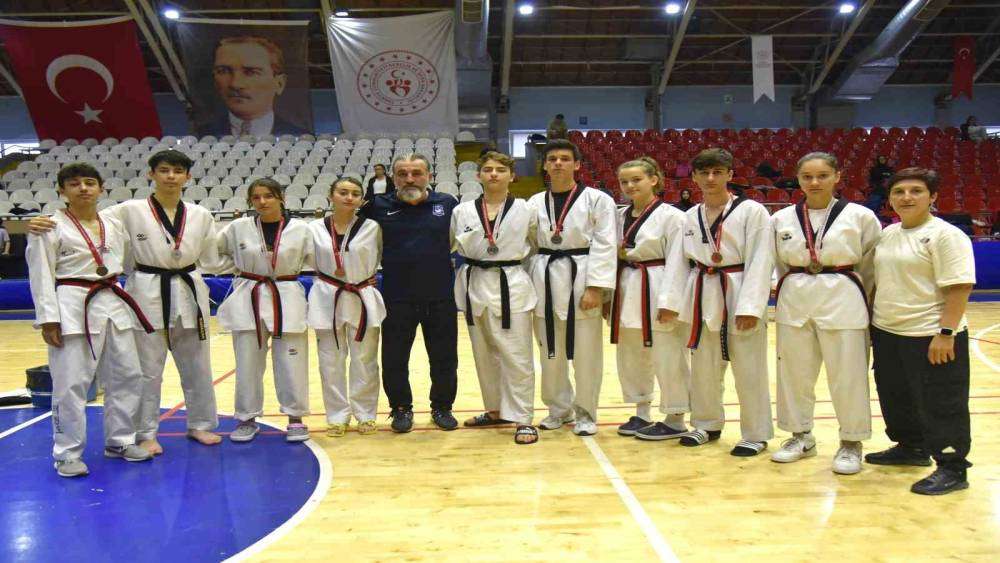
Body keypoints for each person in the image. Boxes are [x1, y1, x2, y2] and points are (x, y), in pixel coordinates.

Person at [29, 150, 226, 455]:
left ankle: (200, 423)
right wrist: (42, 220)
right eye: (163, 170)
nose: (170, 176)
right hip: (144, 291)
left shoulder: (201, 214)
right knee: (146, 369)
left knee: (195, 365)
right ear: (151, 174)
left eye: (177, 171)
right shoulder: (127, 210)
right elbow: (83, 217)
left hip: (188, 290)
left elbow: (212, 257)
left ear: (187, 176)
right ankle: (144, 432)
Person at [27, 163, 154, 477]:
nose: (83, 188)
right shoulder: (48, 226)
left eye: (89, 182)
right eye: (74, 184)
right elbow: (40, 276)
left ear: (101, 188)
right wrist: (48, 319)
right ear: (62, 191)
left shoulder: (113, 223)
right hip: (72, 306)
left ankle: (120, 441)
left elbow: (125, 260)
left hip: (114, 302)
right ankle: (67, 453)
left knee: (127, 376)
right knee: (71, 383)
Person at [769, 152, 882, 474]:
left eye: (822, 176)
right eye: (807, 176)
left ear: (837, 177)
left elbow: (871, 264)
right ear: (798, 179)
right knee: (794, 374)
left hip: (843, 296)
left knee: (848, 374)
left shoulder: (860, 216)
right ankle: (800, 436)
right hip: (796, 297)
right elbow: (776, 262)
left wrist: (862, 296)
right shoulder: (781, 219)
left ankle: (851, 441)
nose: (814, 182)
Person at [868, 167, 975, 495]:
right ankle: (911, 447)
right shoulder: (888, 234)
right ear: (890, 199)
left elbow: (960, 286)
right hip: (888, 332)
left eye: (916, 191)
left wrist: (946, 333)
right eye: (899, 192)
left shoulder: (946, 235)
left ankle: (953, 467)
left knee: (942, 402)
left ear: (933, 197)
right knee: (896, 396)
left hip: (930, 334)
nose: (907, 197)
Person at [660, 148, 774, 456]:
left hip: (738, 290)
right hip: (701, 293)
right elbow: (678, 262)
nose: (711, 178)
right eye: (704, 173)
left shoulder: (753, 211)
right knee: (703, 366)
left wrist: (751, 307)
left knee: (749, 368)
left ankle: (756, 433)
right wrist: (670, 301)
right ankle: (706, 423)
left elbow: (762, 260)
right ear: (694, 177)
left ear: (730, 175)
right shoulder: (688, 216)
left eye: (718, 172)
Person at [360, 154, 460, 433]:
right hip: (396, 296)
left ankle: (442, 407)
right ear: (394, 178)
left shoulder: (447, 204)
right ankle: (401, 408)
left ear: (429, 176)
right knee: (394, 358)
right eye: (402, 174)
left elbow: (456, 241)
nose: (409, 179)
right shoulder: (378, 205)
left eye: (416, 173)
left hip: (440, 294)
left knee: (444, 357)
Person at [526, 139, 617, 436]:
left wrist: (596, 288)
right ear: (544, 165)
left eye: (565, 158)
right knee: (549, 351)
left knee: (586, 354)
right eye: (552, 158)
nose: (558, 163)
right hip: (545, 279)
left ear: (577, 165)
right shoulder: (534, 202)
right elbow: (529, 245)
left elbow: (605, 244)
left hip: (582, 276)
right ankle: (558, 409)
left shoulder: (597, 200)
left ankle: (586, 413)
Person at [217, 178, 313, 442]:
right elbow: (214, 253)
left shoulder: (302, 229)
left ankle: (295, 417)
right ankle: (246, 418)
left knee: (292, 362)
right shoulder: (238, 227)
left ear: (281, 197)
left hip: (287, 294)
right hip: (249, 295)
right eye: (256, 197)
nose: (262, 202)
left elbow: (319, 260)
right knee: (247, 362)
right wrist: (240, 268)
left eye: (268, 196)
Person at [453, 151, 539, 445]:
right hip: (475, 282)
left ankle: (523, 418)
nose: (493, 174)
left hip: (510, 283)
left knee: (517, 355)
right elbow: (450, 244)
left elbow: (537, 245)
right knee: (484, 354)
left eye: (500, 170)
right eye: (487, 169)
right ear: (478, 175)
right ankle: (496, 410)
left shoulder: (526, 209)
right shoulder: (463, 210)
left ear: (512, 176)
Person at [607, 157, 691, 441]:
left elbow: (679, 261)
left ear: (654, 180)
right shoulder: (618, 216)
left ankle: (676, 418)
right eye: (624, 182)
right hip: (627, 285)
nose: (630, 186)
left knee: (667, 355)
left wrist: (670, 302)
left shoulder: (673, 217)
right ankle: (642, 411)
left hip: (658, 284)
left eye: (637, 180)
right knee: (632, 354)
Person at [308, 177, 385, 437]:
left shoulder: (373, 227)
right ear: (331, 196)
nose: (349, 197)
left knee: (365, 360)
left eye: (355, 193)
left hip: (362, 295)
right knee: (330, 361)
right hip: (327, 297)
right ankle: (337, 416)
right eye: (343, 192)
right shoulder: (314, 228)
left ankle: (366, 415)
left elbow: (380, 256)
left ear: (362, 200)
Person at [200, 35, 308, 137]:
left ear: (279, 83)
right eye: (223, 71)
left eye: (251, 72)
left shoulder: (301, 139)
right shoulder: (199, 137)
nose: (235, 84)